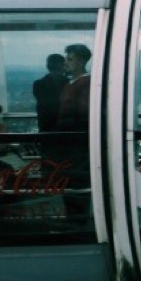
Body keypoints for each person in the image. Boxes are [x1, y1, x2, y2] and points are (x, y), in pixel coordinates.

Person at [57, 43, 92, 218]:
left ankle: (76, 220)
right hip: (70, 144)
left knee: (76, 183)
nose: (66, 63)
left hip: (77, 145)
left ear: (80, 62)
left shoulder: (85, 84)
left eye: (70, 59)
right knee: (70, 182)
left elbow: (83, 115)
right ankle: (73, 217)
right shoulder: (73, 84)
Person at [32, 53, 68, 131]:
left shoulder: (38, 84)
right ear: (63, 66)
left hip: (44, 127)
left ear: (47, 66)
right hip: (65, 129)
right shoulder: (69, 84)